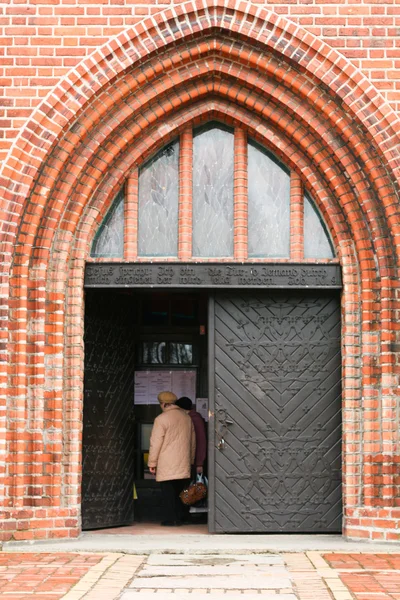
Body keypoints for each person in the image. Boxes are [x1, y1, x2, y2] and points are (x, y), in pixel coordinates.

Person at [148, 390, 195, 526]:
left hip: (167, 462)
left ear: (163, 404)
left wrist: (152, 462)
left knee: (168, 493)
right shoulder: (187, 418)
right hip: (183, 461)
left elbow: (156, 442)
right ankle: (181, 516)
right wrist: (190, 460)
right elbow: (193, 442)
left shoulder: (161, 419)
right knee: (181, 491)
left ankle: (171, 518)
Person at [175, 396, 207, 475]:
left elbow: (201, 441)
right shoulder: (191, 417)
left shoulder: (194, 419)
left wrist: (199, 463)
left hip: (195, 460)